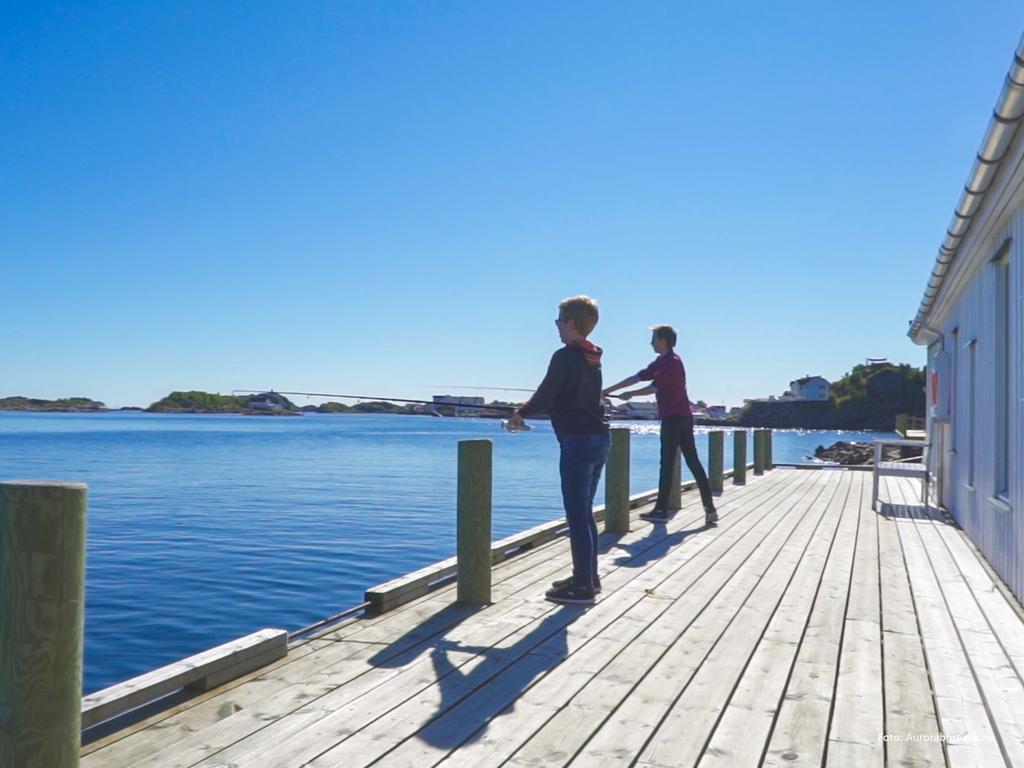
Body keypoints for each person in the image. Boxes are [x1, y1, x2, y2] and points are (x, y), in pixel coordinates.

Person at [507, 296, 609, 605]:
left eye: (558, 321)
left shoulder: (565, 356)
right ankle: (588, 577)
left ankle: (582, 588)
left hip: (577, 442)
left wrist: (520, 414)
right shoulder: (593, 358)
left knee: (577, 515)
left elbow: (546, 394)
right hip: (599, 439)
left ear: (570, 323)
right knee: (585, 513)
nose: (556, 327)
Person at [603, 324, 718, 526]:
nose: (651, 343)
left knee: (668, 464)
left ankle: (662, 510)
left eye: (654, 339)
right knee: (692, 463)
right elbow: (636, 377)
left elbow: (652, 387)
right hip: (682, 418)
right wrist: (607, 390)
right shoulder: (662, 361)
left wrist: (630, 395)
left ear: (663, 341)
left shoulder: (672, 363)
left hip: (674, 419)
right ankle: (709, 509)